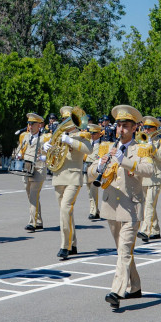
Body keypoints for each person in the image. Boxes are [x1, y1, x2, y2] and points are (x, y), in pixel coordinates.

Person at [87, 105, 154, 309]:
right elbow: (90, 172)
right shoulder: (106, 147)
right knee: (122, 250)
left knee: (124, 251)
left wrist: (123, 161)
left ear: (134, 128)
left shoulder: (141, 148)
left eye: (125, 126)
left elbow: (149, 169)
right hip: (110, 206)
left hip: (131, 207)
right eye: (119, 125)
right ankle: (135, 287)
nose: (121, 129)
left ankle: (116, 290)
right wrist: (99, 166)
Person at [44, 106, 92, 259]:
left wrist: (70, 140)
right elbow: (54, 156)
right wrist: (45, 150)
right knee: (66, 213)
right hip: (58, 177)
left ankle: (64, 246)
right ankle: (73, 244)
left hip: (73, 178)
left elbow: (88, 150)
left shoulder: (81, 136)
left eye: (69, 121)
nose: (67, 124)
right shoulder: (57, 136)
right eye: (65, 121)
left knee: (65, 209)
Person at [16, 113, 50, 231]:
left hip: (38, 169)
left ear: (39, 125)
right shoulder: (25, 136)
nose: (30, 126)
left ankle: (32, 222)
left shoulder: (44, 138)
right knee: (31, 196)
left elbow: (52, 152)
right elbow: (20, 148)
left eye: (32, 124)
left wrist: (46, 155)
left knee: (33, 195)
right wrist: (19, 154)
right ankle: (39, 220)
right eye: (29, 124)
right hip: (26, 168)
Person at [137, 116, 161, 243]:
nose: (147, 130)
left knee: (149, 204)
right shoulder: (141, 141)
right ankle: (155, 230)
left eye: (149, 128)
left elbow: (160, 157)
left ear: (155, 129)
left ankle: (145, 230)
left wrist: (152, 146)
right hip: (144, 177)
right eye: (146, 127)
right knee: (148, 205)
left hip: (155, 177)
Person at [85, 123, 108, 220]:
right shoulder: (88, 142)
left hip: (95, 168)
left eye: (94, 133)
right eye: (91, 133)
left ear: (99, 134)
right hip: (86, 167)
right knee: (89, 191)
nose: (92, 135)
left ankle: (93, 211)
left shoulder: (102, 145)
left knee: (93, 189)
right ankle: (95, 211)